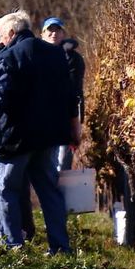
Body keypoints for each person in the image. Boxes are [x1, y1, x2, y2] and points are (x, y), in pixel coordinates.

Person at [0, 10, 81, 254]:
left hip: (15, 139)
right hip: (48, 137)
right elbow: (70, 95)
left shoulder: (8, 56)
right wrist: (75, 128)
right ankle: (60, 247)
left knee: (7, 190)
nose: (0, 40)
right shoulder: (57, 54)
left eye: (1, 35)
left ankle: (13, 245)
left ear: (11, 33)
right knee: (49, 192)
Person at [41, 17, 86, 171]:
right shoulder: (36, 54)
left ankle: (58, 192)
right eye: (50, 30)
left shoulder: (73, 58)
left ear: (63, 33)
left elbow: (73, 89)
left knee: (61, 164)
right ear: (43, 34)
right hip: (41, 116)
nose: (54, 33)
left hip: (66, 115)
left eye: (57, 30)